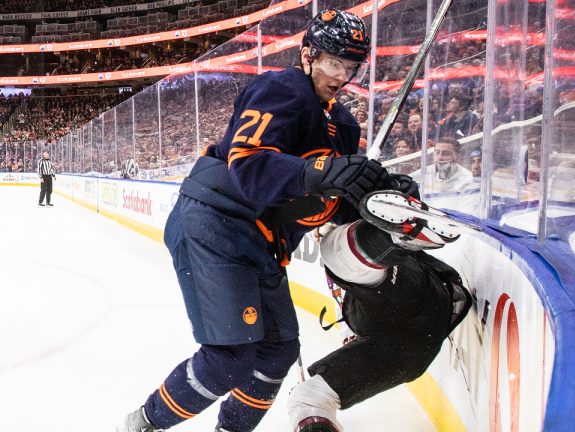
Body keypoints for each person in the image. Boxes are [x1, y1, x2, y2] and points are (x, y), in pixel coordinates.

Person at [118, 9, 411, 432]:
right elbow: (250, 165)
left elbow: (332, 199)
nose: (342, 76)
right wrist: (322, 173)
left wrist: (379, 192)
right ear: (308, 54)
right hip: (217, 223)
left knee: (277, 352)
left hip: (262, 240)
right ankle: (140, 425)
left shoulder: (342, 124)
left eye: (350, 66)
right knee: (229, 358)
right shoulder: (281, 89)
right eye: (333, 63)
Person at [286, 190, 471, 432]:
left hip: (412, 321)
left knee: (307, 399)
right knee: (306, 397)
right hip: (410, 329)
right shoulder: (352, 294)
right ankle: (394, 238)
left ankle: (394, 238)